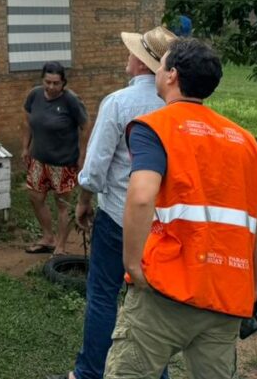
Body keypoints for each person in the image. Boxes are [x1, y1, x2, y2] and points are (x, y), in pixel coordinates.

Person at [104, 38, 257, 379]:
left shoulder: (156, 128)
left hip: (166, 290)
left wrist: (132, 264)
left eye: (162, 63)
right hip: (225, 294)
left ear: (171, 76)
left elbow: (140, 197)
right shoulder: (245, 142)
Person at [47, 27, 176, 379]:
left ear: (141, 62)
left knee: (103, 294)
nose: (127, 56)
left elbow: (95, 167)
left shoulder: (120, 102)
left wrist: (83, 201)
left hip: (120, 216)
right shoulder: (176, 104)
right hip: (165, 223)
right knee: (154, 301)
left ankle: (89, 372)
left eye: (132, 52)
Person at [22, 62, 87, 255]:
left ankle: (60, 246)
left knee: (62, 204)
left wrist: (82, 156)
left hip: (64, 162)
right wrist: (25, 147)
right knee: (36, 197)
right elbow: (26, 122)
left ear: (63, 83)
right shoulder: (34, 95)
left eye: (56, 83)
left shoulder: (71, 101)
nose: (51, 87)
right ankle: (48, 237)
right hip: (38, 160)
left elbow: (86, 126)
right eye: (47, 82)